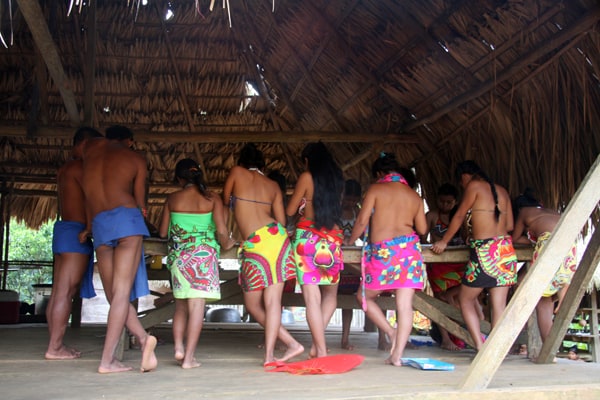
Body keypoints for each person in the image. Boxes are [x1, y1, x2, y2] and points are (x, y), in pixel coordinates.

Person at [80, 125, 157, 373]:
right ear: (128, 141)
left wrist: (90, 226)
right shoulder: (134, 158)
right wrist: (144, 218)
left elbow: (89, 199)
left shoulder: (89, 160)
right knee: (122, 294)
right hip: (127, 221)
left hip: (100, 224)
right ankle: (107, 360)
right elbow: (140, 203)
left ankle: (144, 339)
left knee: (114, 297)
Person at [223, 143, 304, 365]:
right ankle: (270, 355)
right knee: (272, 303)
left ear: (241, 162)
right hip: (277, 239)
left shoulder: (236, 173)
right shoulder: (273, 185)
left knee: (252, 305)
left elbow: (224, 200)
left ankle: (289, 345)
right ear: (262, 164)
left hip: (256, 244)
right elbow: (282, 221)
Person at [346, 153, 427, 366]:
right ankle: (397, 356)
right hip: (409, 253)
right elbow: (423, 229)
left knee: (364, 297)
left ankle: (390, 331)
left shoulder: (375, 189)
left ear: (380, 174)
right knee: (404, 305)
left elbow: (362, 220)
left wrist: (349, 240)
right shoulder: (413, 195)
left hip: (383, 255)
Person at [432, 160, 518, 351]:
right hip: (505, 250)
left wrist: (444, 240)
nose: (463, 186)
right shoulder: (502, 191)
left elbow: (459, 215)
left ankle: (480, 345)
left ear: (465, 176)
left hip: (486, 251)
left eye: (461, 182)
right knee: (499, 306)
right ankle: (494, 350)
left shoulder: (474, 186)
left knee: (465, 299)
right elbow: (510, 225)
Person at [159, 158, 234, 369]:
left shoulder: (172, 198)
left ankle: (178, 348)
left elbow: (163, 232)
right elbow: (221, 231)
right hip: (203, 259)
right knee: (197, 307)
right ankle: (189, 358)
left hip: (179, 257)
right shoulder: (212, 199)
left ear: (179, 178)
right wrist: (230, 242)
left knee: (180, 306)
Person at [45, 127, 103, 360]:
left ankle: (55, 344)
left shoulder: (65, 168)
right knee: (66, 292)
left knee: (58, 291)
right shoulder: (80, 168)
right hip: (76, 231)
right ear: (83, 143)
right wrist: (90, 228)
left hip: (63, 229)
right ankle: (55, 347)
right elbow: (90, 200)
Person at [286, 142, 344, 358]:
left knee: (312, 297)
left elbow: (291, 209)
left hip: (307, 239)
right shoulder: (338, 179)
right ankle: (317, 345)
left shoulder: (306, 178)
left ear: (308, 160)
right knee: (331, 294)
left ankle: (320, 350)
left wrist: (301, 204)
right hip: (332, 238)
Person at [512, 189, 577, 348]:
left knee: (543, 302)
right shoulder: (552, 212)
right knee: (561, 278)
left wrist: (534, 242)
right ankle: (563, 294)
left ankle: (548, 350)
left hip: (547, 242)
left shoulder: (524, 212)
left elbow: (515, 238)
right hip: (570, 243)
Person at [421, 183, 466, 351]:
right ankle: (446, 339)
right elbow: (422, 237)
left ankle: (461, 335)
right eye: (442, 201)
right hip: (438, 264)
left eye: (449, 202)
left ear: (456, 202)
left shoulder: (460, 217)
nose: (445, 205)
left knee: (460, 298)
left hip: (459, 264)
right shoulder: (432, 216)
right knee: (440, 300)